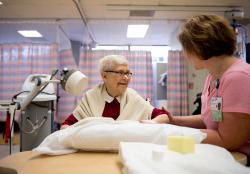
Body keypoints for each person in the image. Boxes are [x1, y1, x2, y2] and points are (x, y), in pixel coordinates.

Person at [142, 14, 250, 165]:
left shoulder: (239, 77)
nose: (185, 54)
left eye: (186, 49)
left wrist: (170, 133)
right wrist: (173, 121)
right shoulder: (212, 77)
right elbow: (212, 118)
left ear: (199, 47)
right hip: (224, 156)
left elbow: (228, 139)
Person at [61, 54, 168, 129]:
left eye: (128, 73)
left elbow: (164, 115)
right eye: (120, 73)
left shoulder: (133, 97)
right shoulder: (90, 97)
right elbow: (66, 125)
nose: (126, 78)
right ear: (104, 76)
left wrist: (152, 122)